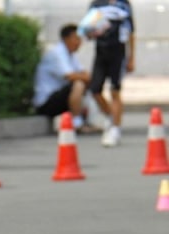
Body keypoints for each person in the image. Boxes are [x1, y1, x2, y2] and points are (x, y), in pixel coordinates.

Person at [82, 0, 135, 147]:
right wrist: (91, 31)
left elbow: (131, 31)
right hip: (101, 51)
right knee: (95, 89)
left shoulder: (124, 4)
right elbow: (87, 30)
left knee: (115, 90)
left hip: (118, 52)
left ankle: (115, 128)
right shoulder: (96, 4)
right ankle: (111, 117)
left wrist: (132, 57)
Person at [33, 24, 99, 134]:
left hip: (60, 98)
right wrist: (88, 77)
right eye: (76, 39)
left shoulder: (71, 55)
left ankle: (86, 121)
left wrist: (90, 78)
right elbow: (70, 76)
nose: (79, 43)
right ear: (66, 39)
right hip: (46, 102)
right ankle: (77, 123)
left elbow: (83, 72)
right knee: (78, 84)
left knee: (87, 84)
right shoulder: (57, 53)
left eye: (80, 39)